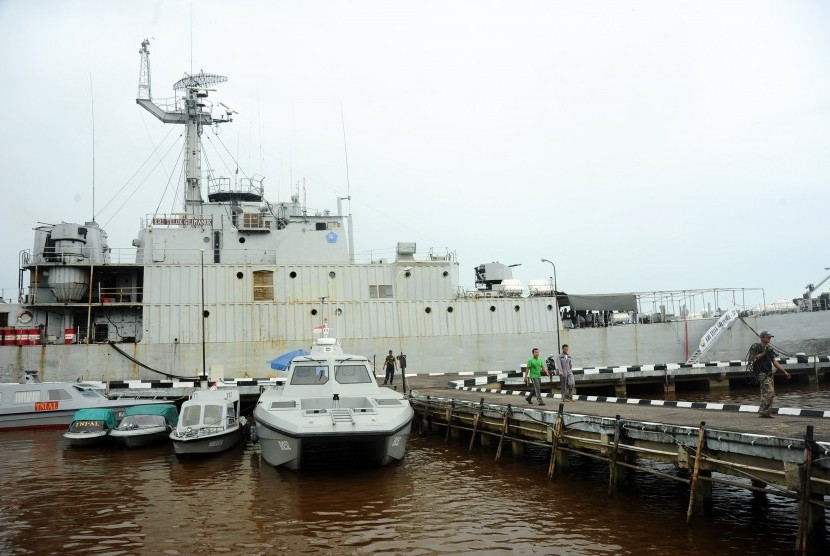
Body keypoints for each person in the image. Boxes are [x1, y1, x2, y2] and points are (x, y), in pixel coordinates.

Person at [747, 331, 790, 418]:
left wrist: (784, 371)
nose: (769, 339)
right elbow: (751, 358)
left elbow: (774, 361)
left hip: (769, 373)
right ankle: (764, 412)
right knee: (770, 392)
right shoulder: (756, 346)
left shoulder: (769, 348)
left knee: (767, 393)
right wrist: (763, 353)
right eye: (767, 337)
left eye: (770, 337)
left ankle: (765, 412)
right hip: (761, 373)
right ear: (762, 338)